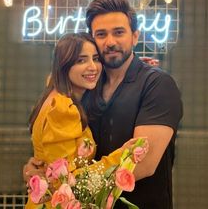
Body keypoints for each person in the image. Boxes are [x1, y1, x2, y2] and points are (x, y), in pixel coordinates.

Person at [24, 0, 183, 209]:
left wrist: (62, 182)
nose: (110, 42)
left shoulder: (157, 85)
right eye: (101, 34)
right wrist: (43, 173)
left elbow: (142, 164)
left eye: (119, 32)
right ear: (92, 39)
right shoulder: (86, 87)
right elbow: (63, 150)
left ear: (135, 37)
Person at [24, 32, 138, 209]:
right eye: (81, 60)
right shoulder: (62, 108)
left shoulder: (57, 95)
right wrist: (121, 157)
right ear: (64, 66)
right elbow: (65, 182)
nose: (93, 67)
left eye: (95, 59)